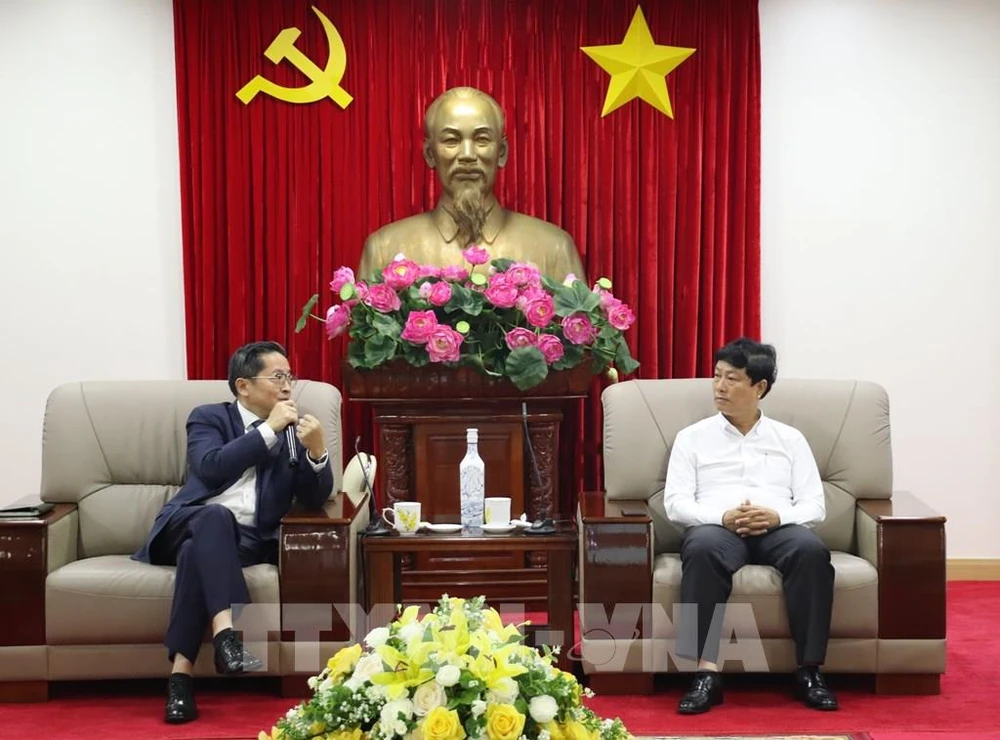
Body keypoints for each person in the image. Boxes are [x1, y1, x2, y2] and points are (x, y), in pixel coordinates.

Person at [132, 341, 333, 724]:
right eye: (278, 377)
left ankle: (180, 681)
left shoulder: (294, 430)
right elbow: (209, 469)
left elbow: (313, 498)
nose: (288, 386)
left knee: (197, 555)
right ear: (243, 386)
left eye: (290, 376)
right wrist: (267, 431)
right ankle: (229, 635)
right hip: (186, 521)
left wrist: (317, 454)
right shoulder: (208, 418)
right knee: (214, 518)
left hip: (247, 541)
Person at [662, 337, 839, 714]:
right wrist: (721, 517)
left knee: (811, 551)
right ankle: (705, 674)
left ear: (760, 387)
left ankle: (810, 671)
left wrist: (777, 516)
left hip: (777, 527)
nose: (720, 387)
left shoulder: (790, 440)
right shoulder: (692, 439)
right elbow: (676, 504)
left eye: (732, 379)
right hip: (717, 527)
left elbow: (814, 505)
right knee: (702, 549)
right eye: (716, 377)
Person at [358, 86, 586, 282]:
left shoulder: (555, 248)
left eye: (481, 139)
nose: (467, 155)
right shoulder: (384, 249)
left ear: (502, 152)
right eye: (451, 140)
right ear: (429, 154)